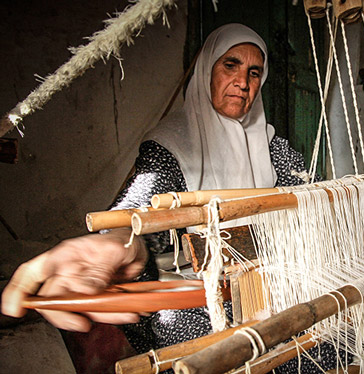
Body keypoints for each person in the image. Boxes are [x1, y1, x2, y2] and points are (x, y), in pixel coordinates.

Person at [2, 23, 343, 373]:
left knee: (328, 341)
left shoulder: (271, 146)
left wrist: (363, 188)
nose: (243, 82)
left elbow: (314, 197)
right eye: (231, 65)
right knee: (206, 350)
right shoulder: (172, 146)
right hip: (201, 298)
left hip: (267, 288)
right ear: (207, 70)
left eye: (254, 73)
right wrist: (117, 239)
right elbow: (137, 212)